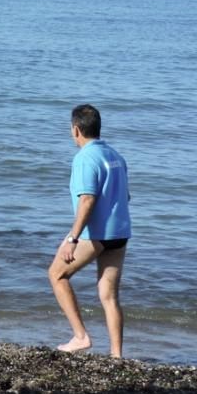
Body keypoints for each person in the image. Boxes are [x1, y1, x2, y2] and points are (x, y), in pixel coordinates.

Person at [48, 104, 131, 358]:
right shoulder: (115, 155)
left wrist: (73, 238)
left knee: (57, 274)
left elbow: (87, 200)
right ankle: (117, 355)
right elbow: (126, 196)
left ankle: (80, 336)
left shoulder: (85, 158)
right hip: (121, 231)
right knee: (108, 295)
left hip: (98, 233)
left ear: (76, 130)